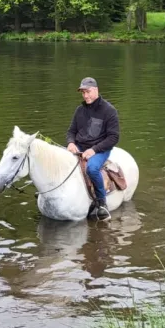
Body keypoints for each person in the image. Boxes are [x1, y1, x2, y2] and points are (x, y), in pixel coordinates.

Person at [67, 77, 120, 222]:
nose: (85, 95)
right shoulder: (79, 110)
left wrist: (94, 150)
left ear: (96, 90)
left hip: (100, 148)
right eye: (83, 92)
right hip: (79, 147)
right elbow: (71, 131)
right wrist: (71, 143)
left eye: (88, 92)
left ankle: (102, 203)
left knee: (91, 169)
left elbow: (113, 137)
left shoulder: (109, 111)